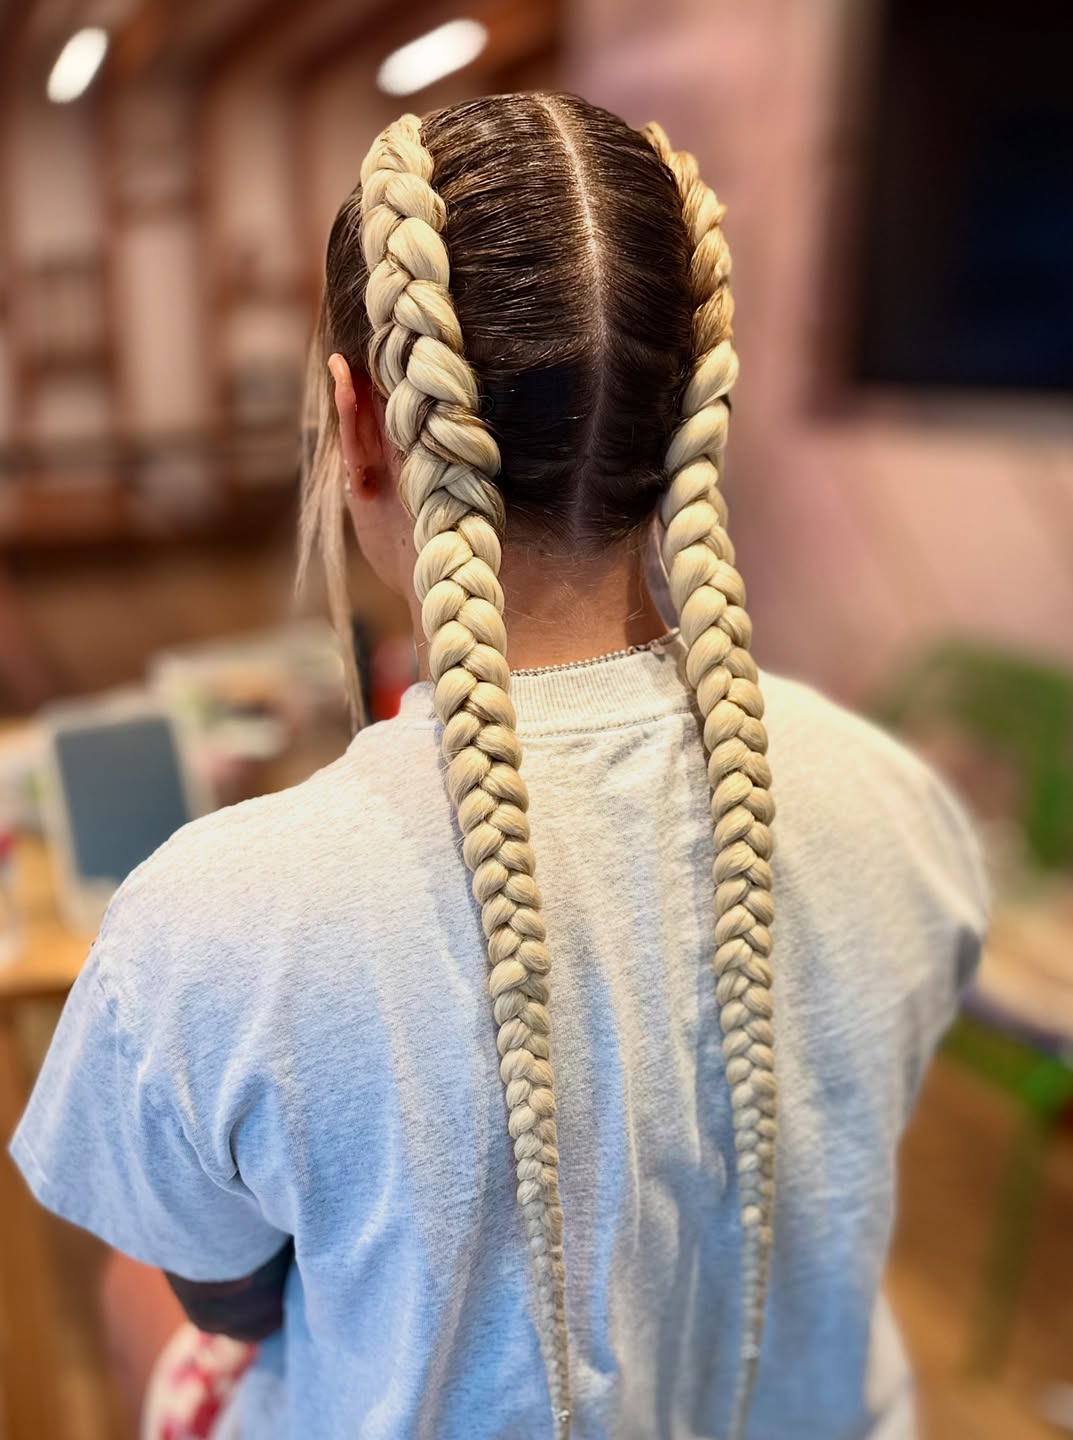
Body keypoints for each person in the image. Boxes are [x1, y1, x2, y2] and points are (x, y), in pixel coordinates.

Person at [10, 93, 988, 1440]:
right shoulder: (899, 805)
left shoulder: (214, 922)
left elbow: (229, 1306)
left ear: (357, 423)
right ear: (690, 420)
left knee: (139, 1282)